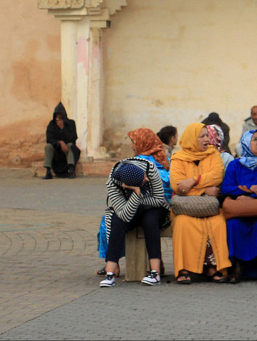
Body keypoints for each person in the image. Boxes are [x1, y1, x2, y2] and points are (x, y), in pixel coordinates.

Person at [97, 128, 173, 275]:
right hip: (161, 206)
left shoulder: (139, 164)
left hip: (154, 207)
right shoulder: (167, 161)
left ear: (143, 143)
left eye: (133, 142)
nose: (132, 146)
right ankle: (157, 265)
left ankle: (113, 264)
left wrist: (135, 197)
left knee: (108, 220)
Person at [169, 122, 231, 284]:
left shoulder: (213, 154)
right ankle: (184, 268)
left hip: (208, 207)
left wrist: (193, 181)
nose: (206, 139)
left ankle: (212, 266)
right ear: (191, 139)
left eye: (207, 136)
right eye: (202, 136)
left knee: (217, 222)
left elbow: (217, 176)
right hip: (186, 207)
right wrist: (204, 190)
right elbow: (177, 184)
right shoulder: (178, 158)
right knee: (183, 223)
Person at [222, 129, 257, 282]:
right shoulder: (234, 165)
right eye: (255, 139)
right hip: (239, 213)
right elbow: (226, 188)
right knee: (233, 224)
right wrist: (247, 189)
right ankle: (237, 268)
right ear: (246, 143)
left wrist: (250, 199)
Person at [43, 102, 80, 179]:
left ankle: (71, 169)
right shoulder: (52, 124)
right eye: (56, 118)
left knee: (70, 145)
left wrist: (62, 129)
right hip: (57, 149)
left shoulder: (71, 123)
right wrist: (60, 142)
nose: (58, 120)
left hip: (68, 150)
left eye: (60, 118)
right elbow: (49, 138)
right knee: (48, 147)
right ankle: (48, 171)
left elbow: (73, 138)